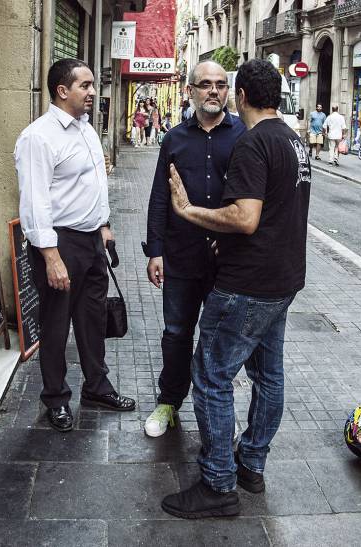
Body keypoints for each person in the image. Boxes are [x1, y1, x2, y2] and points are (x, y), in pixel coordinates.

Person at [160, 58, 312, 518]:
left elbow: (243, 218)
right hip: (283, 279)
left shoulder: (253, 143)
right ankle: (251, 465)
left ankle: (218, 483)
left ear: (240, 96)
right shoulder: (294, 140)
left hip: (247, 284)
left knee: (210, 377)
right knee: (269, 376)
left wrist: (189, 212)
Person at [14, 58, 137, 432]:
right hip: (59, 243)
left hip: (91, 242)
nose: (93, 92)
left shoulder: (85, 128)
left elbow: (92, 184)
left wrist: (103, 226)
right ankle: (55, 397)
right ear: (62, 90)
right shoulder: (38, 137)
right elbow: (34, 203)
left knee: (92, 318)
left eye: (93, 84)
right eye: (85, 85)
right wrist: (51, 257)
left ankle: (97, 387)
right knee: (55, 324)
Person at [143, 60, 247, 438]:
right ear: (190, 90)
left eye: (221, 84)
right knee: (175, 333)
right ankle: (168, 402)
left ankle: (218, 411)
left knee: (220, 339)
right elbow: (159, 197)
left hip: (226, 260)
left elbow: (250, 200)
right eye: (205, 84)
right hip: (181, 254)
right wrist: (155, 250)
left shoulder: (242, 135)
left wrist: (233, 238)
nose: (214, 91)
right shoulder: (174, 139)